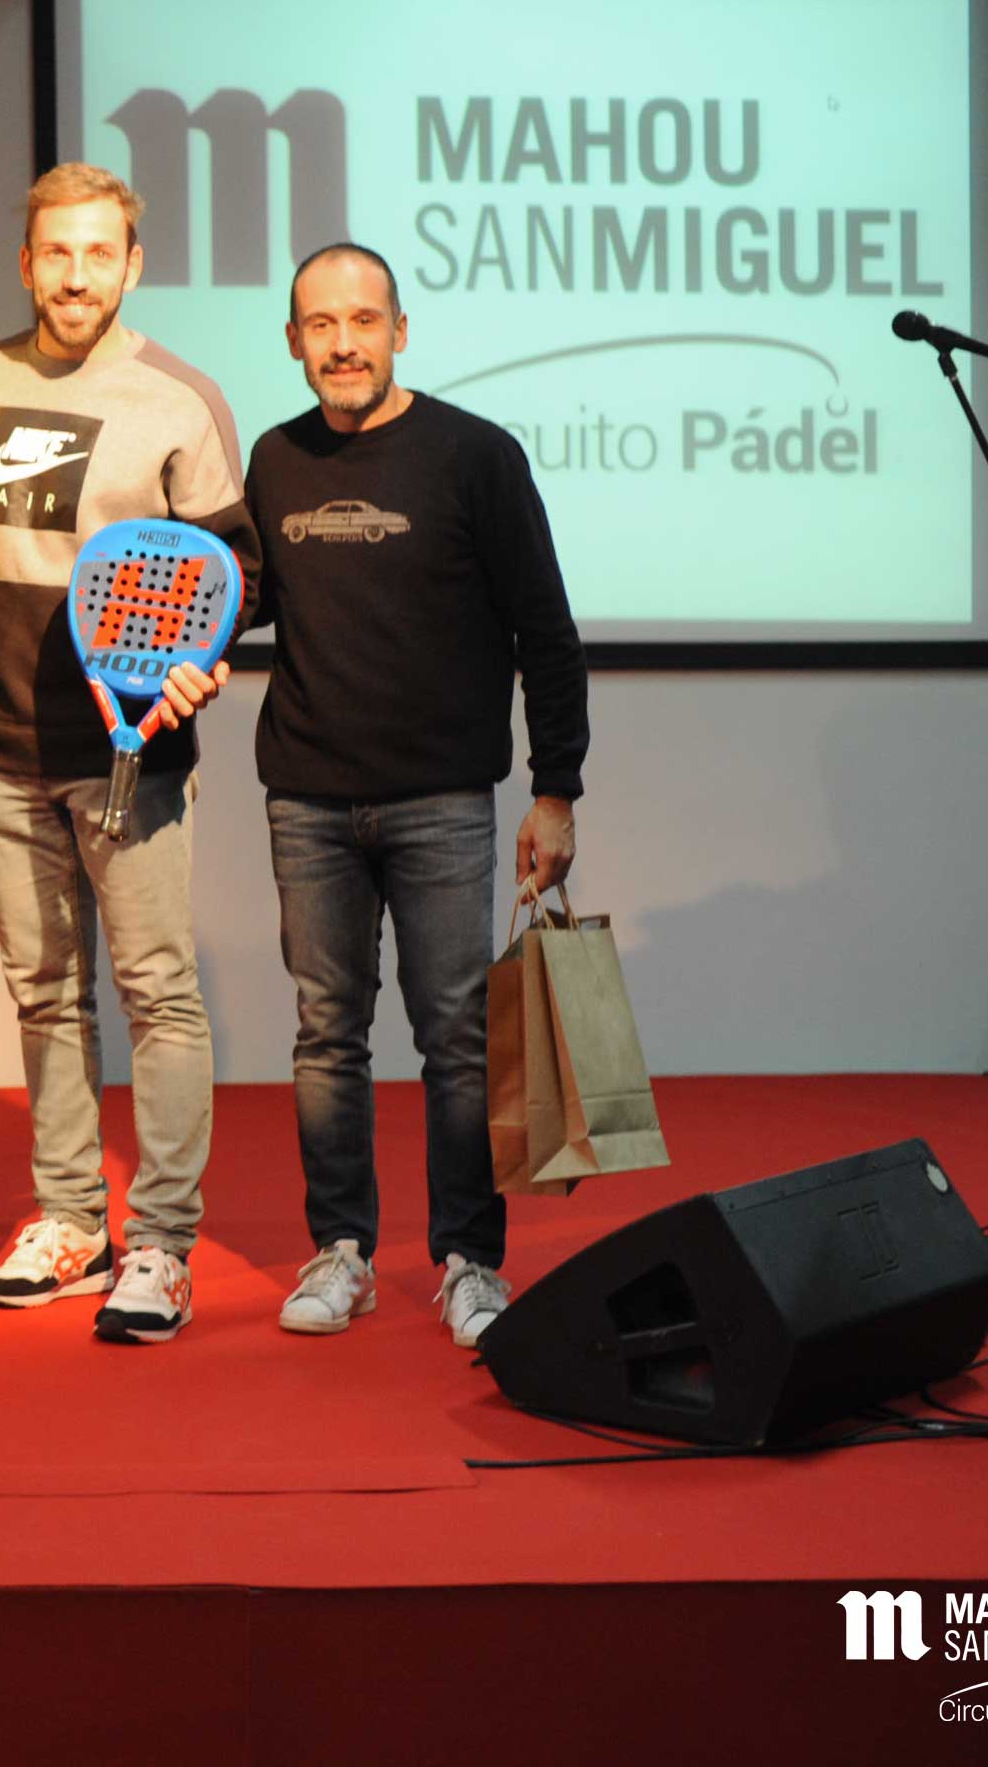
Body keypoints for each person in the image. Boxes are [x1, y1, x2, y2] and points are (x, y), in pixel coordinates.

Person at [246, 242, 588, 1348]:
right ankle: (340, 1251)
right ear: (292, 340)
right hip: (306, 799)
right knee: (325, 1036)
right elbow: (248, 601)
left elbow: (546, 630)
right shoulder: (273, 460)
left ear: (400, 330)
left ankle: (468, 1261)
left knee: (456, 1039)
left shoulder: (475, 455)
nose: (342, 343)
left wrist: (556, 789)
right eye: (320, 324)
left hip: (443, 799)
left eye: (363, 321)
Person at [0, 165, 253, 1344]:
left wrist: (198, 660)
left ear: (130, 265)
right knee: (43, 994)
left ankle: (163, 1241)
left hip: (131, 754)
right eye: (55, 252)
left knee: (158, 994)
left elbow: (237, 574)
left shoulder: (179, 398)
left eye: (97, 253)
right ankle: (72, 1219)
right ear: (26, 262)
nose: (74, 275)